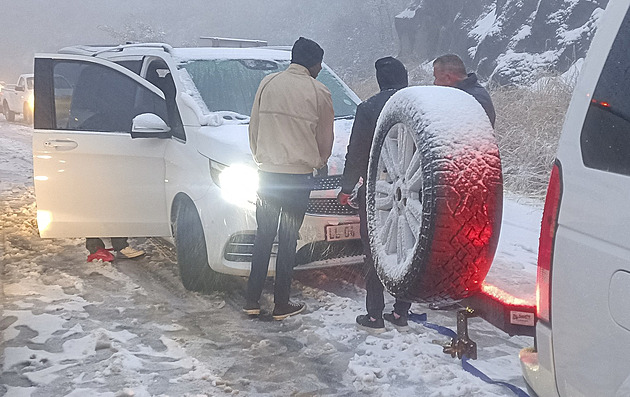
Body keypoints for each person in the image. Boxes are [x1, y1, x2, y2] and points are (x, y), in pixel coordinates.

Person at [243, 37, 334, 321]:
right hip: (297, 178)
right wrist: (319, 162)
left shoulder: (268, 83)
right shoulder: (319, 91)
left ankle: (251, 300)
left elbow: (254, 126)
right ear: (315, 63)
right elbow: (325, 139)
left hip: (268, 175)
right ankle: (282, 303)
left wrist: (262, 157)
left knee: (263, 236)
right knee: (287, 238)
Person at [337, 57, 411, 333]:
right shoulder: (415, 104)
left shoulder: (368, 108)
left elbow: (356, 153)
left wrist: (346, 188)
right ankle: (402, 311)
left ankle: (374, 315)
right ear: (403, 78)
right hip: (411, 192)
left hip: (377, 188)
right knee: (406, 249)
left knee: (374, 251)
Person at [432, 54, 496, 127]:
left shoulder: (472, 100)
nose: (435, 83)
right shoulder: (467, 93)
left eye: (436, 78)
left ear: (448, 78)